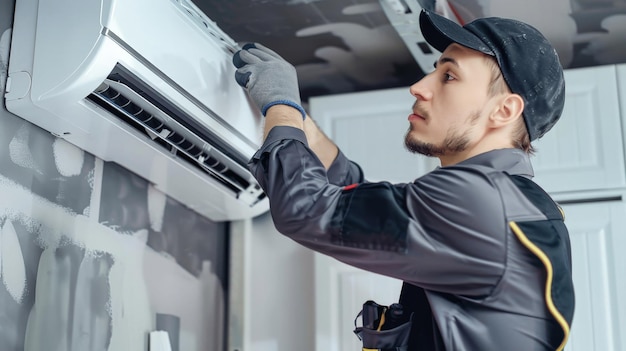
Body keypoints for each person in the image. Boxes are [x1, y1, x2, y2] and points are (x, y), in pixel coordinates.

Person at [232, 9, 575, 351]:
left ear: (503, 110)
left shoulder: (479, 201)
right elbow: (353, 199)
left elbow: (306, 209)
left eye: (449, 77)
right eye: (434, 71)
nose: (419, 87)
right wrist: (297, 118)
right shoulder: (512, 202)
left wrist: (281, 106)